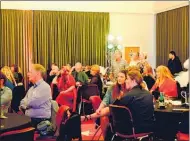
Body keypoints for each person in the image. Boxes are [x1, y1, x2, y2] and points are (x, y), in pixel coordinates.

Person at [81, 70, 155, 138]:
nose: (125, 81)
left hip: (131, 130)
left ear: (133, 81)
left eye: (127, 79)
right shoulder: (148, 94)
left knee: (109, 113)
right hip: (149, 129)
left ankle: (89, 118)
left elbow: (112, 109)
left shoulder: (128, 95)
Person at [19, 64, 52, 128]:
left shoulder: (45, 87)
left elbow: (32, 103)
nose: (28, 74)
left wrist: (26, 105)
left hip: (40, 122)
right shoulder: (32, 88)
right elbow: (22, 102)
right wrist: (27, 104)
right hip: (31, 119)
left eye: (30, 72)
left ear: (38, 73)